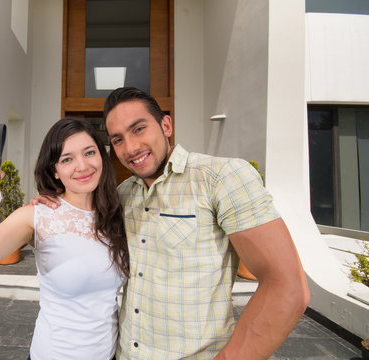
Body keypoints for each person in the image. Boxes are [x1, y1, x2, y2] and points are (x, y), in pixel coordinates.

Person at [37, 87, 311, 359]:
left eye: (139, 129)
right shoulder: (121, 196)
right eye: (118, 140)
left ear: (166, 125)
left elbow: (286, 286)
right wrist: (47, 206)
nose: (130, 148)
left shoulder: (220, 178)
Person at [0, 118, 129, 360]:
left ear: (102, 157)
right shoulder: (35, 216)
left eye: (89, 152)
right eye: (67, 159)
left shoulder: (117, 214)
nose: (83, 165)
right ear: (54, 170)